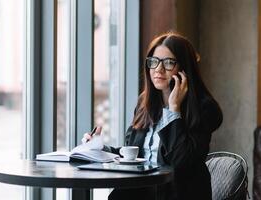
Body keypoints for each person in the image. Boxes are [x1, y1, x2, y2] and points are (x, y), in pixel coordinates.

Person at [83, 31, 223, 200]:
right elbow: (136, 155)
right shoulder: (145, 103)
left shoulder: (204, 108)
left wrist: (174, 110)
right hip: (139, 192)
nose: (158, 69)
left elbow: (181, 162)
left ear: (184, 68)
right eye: (154, 62)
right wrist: (100, 149)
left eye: (169, 62)